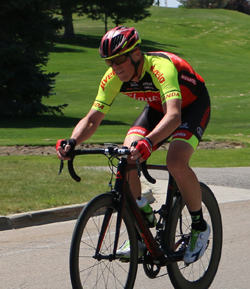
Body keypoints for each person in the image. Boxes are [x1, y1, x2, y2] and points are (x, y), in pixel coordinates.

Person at [56, 26, 213, 264]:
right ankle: (141, 220)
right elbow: (92, 118)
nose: (115, 67)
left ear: (136, 55)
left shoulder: (161, 67)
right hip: (157, 108)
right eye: (109, 62)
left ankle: (200, 226)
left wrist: (150, 142)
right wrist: (72, 141)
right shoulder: (113, 78)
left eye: (119, 60)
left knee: (175, 161)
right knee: (127, 155)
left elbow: (174, 117)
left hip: (189, 108)